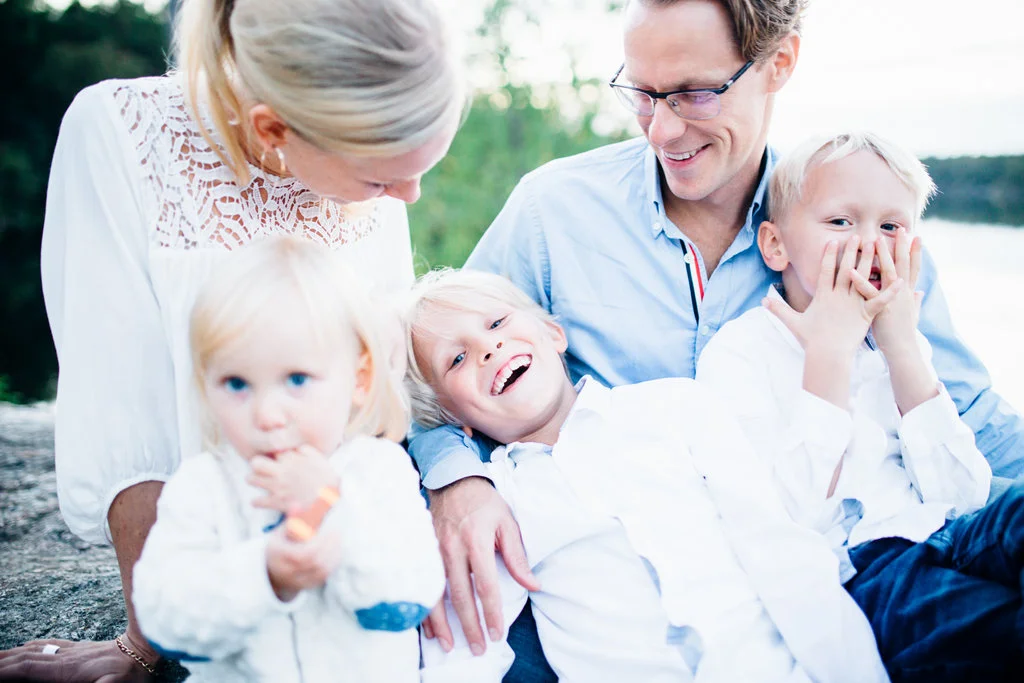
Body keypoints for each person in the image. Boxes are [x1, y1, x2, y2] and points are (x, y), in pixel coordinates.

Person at [408, 0, 1024, 676]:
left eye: (695, 93)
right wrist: (456, 477)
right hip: (745, 599)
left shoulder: (853, 225)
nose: (663, 129)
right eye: (642, 94)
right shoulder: (553, 213)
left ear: (779, 63)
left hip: (849, 569)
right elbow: (435, 364)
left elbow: (971, 413)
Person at [0, 0, 464, 680]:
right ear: (273, 127)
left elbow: (384, 406)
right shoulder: (118, 133)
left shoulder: (373, 179)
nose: (410, 197)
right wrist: (145, 638)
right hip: (216, 579)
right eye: (381, 176)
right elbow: (121, 408)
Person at [406, 268, 887, 683]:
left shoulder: (675, 407)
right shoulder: (499, 505)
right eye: (457, 359)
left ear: (554, 334)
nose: (488, 348)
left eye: (497, 323)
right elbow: (470, 647)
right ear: (452, 418)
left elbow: (780, 548)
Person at [696, 132, 1024, 681]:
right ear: (775, 246)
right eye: (841, 223)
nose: (869, 243)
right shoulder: (740, 354)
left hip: (945, 530)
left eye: (890, 226)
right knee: (996, 629)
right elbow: (790, 519)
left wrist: (901, 349)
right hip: (861, 571)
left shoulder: (897, 338)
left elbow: (962, 495)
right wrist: (829, 352)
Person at [132, 236, 443, 681]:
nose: (267, 414)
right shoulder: (202, 486)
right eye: (237, 384)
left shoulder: (379, 471)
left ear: (358, 379)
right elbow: (165, 621)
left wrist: (332, 507)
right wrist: (263, 574)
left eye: (296, 379)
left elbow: (401, 601)